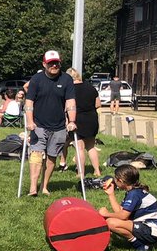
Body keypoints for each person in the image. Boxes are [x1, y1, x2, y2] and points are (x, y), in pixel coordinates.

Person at [24, 50, 77, 197]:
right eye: (51, 63)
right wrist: (29, 121)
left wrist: (72, 121)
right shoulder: (37, 79)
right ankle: (33, 188)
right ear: (44, 64)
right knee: (35, 153)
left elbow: (70, 101)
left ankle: (45, 186)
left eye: (56, 63)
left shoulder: (66, 79)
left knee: (52, 156)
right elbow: (29, 102)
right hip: (38, 124)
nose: (54, 65)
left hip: (59, 126)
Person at [99, 166, 157, 251]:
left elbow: (123, 216)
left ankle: (139, 245)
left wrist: (106, 214)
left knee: (111, 222)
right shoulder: (133, 192)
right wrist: (111, 194)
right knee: (111, 222)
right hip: (146, 227)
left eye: (115, 179)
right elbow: (119, 212)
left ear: (120, 181)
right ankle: (139, 243)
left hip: (151, 231)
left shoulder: (134, 194)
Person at [66, 68, 102, 179]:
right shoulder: (91, 88)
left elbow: (67, 106)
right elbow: (98, 104)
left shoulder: (69, 90)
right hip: (92, 119)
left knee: (79, 147)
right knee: (91, 146)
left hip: (77, 119)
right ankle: (97, 170)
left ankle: (80, 173)